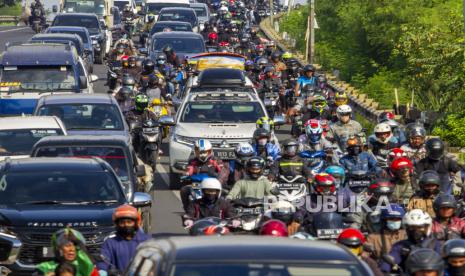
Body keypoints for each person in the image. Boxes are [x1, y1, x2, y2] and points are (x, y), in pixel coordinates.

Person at [380, 209, 441, 273]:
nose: (416, 231)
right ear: (406, 228)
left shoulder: (435, 244)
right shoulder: (400, 246)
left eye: (420, 227)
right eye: (412, 227)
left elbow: (442, 262)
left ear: (428, 227)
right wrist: (384, 270)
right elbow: (391, 258)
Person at [97, 205, 150, 274]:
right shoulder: (109, 243)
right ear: (117, 224)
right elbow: (103, 262)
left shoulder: (147, 241)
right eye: (122, 222)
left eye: (129, 222)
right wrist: (102, 271)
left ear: (136, 223)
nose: (126, 225)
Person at [181, 139, 223, 211]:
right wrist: (186, 174)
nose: (202, 155)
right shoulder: (192, 161)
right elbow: (188, 170)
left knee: (227, 193)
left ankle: (224, 211)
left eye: (205, 152)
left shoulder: (216, 160)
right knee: (184, 190)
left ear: (210, 151)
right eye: (200, 152)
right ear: (195, 152)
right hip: (197, 184)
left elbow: (222, 171)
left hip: (213, 184)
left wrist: (219, 174)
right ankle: (187, 209)